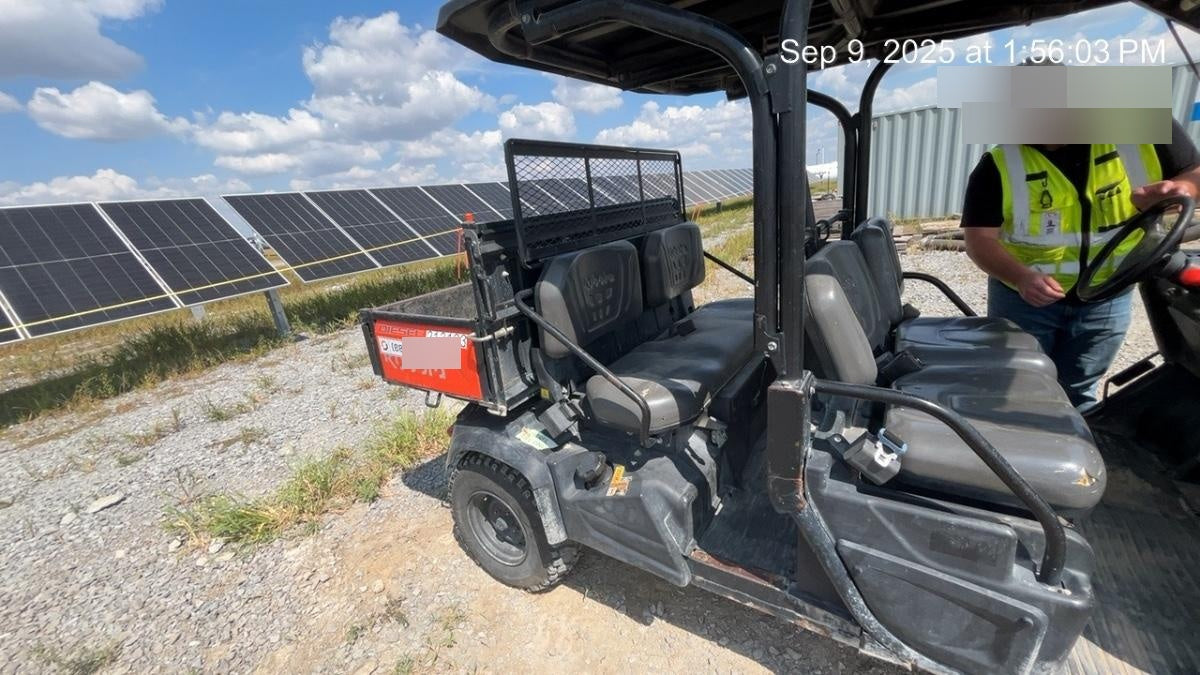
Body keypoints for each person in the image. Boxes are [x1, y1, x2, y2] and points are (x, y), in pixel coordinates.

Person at [961, 120, 1200, 410]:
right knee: (1017, 385)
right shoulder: (999, 164)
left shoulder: (1139, 127)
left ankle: (1078, 436)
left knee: (1079, 387)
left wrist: (1182, 189)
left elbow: (1194, 174)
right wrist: (1021, 277)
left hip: (1108, 295)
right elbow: (979, 240)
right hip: (1024, 302)